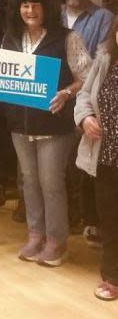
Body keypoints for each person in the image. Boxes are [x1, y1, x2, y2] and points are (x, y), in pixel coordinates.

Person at [5, 0, 91, 266]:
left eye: (36, 5)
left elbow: (87, 76)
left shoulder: (67, 37)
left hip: (55, 124)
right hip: (20, 124)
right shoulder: (11, 37)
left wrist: (66, 93)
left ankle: (56, 240)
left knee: (51, 183)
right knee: (29, 182)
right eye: (25, 5)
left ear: (47, 8)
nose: (30, 11)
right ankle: (35, 234)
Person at [61, 0, 115, 248]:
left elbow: (99, 62)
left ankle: (87, 218)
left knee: (83, 167)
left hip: (87, 97)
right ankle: (66, 218)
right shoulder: (53, 12)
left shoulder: (104, 17)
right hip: (57, 99)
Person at [74, 17, 118, 300]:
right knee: (111, 218)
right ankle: (112, 275)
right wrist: (86, 117)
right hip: (107, 156)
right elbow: (84, 95)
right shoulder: (104, 59)